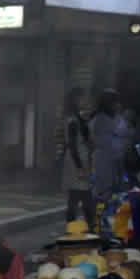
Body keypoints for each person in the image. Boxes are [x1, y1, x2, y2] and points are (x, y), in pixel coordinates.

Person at [59, 87, 95, 227]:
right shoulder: (73, 120)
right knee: (81, 195)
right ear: (75, 100)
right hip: (77, 161)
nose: (84, 101)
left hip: (79, 160)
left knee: (77, 196)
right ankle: (86, 226)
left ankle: (77, 226)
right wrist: (79, 167)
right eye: (82, 98)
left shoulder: (77, 118)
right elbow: (72, 144)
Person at [90, 89, 130, 201]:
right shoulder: (99, 119)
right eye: (115, 102)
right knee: (103, 192)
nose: (118, 105)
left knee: (117, 192)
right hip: (104, 160)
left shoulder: (118, 118)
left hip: (118, 160)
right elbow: (106, 141)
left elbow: (124, 135)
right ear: (107, 103)